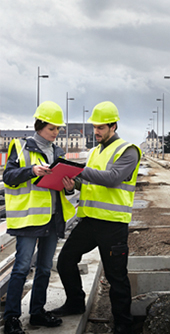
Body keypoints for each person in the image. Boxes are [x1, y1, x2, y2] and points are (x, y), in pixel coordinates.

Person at [49, 101, 141, 334]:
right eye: (94, 128)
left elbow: (112, 178)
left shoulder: (128, 150)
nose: (96, 132)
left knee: (116, 277)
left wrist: (75, 169)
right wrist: (70, 184)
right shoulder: (94, 151)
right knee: (65, 260)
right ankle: (75, 303)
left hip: (113, 224)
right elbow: (85, 182)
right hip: (89, 220)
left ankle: (123, 324)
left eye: (101, 127)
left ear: (113, 126)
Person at [2, 101, 76, 334]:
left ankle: (37, 313)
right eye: (52, 128)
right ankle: (12, 318)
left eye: (58, 129)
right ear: (40, 125)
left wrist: (70, 186)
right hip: (29, 219)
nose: (55, 133)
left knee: (44, 268)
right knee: (22, 268)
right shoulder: (21, 146)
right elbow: (9, 177)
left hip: (53, 219)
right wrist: (31, 171)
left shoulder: (58, 152)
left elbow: (65, 189)